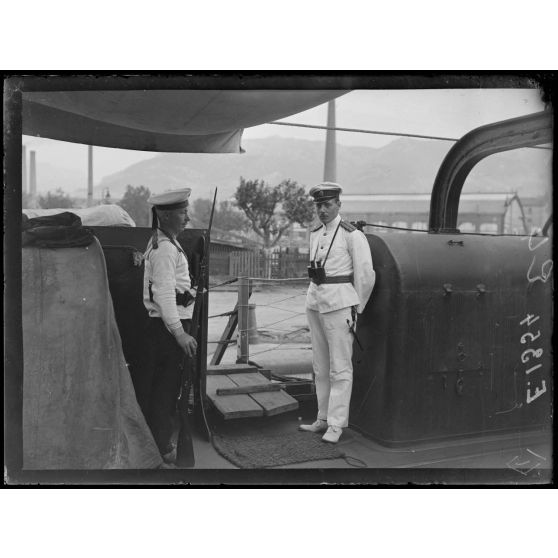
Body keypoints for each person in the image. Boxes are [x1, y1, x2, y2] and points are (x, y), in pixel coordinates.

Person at [299, 182, 375, 443]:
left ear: (338, 205)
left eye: (327, 204)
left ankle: (336, 424)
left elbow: (365, 275)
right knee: (320, 366)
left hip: (340, 304)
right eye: (318, 205)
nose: (322, 210)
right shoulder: (315, 233)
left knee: (340, 367)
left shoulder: (352, 235)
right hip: (316, 302)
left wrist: (357, 307)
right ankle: (322, 417)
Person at [140, 188, 198, 463]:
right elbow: (164, 295)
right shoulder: (164, 249)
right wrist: (179, 333)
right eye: (183, 212)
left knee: (163, 388)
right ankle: (163, 448)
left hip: (162, 327)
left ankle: (160, 444)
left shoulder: (166, 243)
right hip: (167, 329)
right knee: (166, 390)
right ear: (165, 215)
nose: (187, 218)